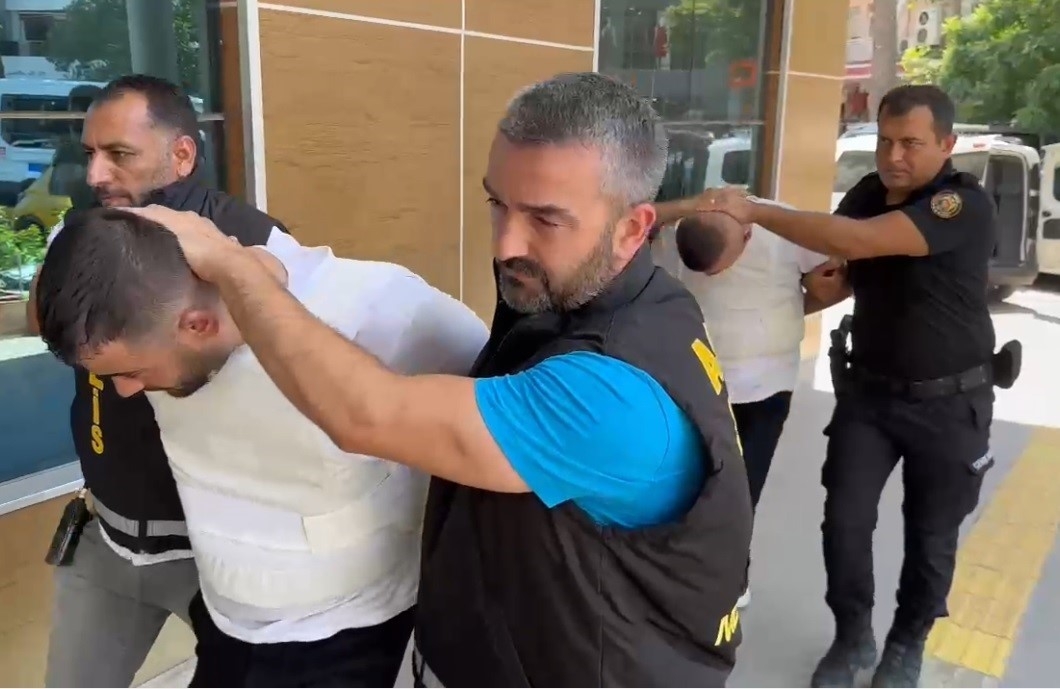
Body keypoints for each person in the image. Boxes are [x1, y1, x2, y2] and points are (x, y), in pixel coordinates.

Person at [118, 72, 754, 687]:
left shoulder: (608, 400)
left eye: (545, 219)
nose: (506, 244)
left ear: (633, 229)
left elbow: (366, 416)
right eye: (497, 203)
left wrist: (234, 268)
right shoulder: (628, 297)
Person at [35, 207, 490, 686]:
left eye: (131, 373)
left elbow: (492, 440)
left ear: (197, 326)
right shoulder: (153, 308)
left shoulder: (384, 311)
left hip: (353, 636)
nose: (124, 392)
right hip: (225, 628)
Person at [708, 84, 999, 688]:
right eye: (885, 141)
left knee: (931, 535)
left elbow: (858, 241)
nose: (894, 156)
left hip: (950, 404)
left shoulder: (961, 205)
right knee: (844, 521)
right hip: (870, 396)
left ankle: (906, 644)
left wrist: (754, 211)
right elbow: (838, 271)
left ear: (947, 144)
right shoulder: (868, 193)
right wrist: (791, 304)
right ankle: (853, 636)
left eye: (911, 143)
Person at [26, 74, 286, 688]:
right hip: (107, 536)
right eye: (90, 153)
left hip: (217, 554)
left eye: (119, 154)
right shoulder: (86, 230)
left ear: (182, 155)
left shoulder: (255, 243)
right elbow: (43, 320)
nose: (96, 175)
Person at [652, 202, 851, 609]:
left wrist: (795, 308)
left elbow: (837, 275)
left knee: (742, 488)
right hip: (699, 383)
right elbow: (635, 224)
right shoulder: (682, 229)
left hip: (766, 389)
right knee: (688, 480)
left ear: (749, 234)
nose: (715, 278)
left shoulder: (786, 229)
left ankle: (731, 577)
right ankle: (681, 570)